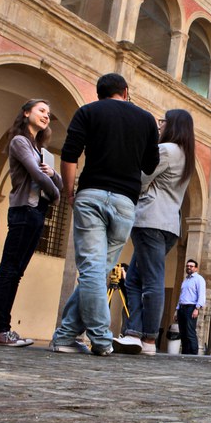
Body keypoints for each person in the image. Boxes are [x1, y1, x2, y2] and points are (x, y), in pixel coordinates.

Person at [51, 73, 159, 356]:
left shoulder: (88, 111)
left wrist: (69, 191)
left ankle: (92, 338)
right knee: (95, 272)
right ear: (126, 91)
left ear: (100, 94)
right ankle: (76, 338)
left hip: (91, 195)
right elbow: (150, 165)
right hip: (125, 202)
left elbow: (69, 155)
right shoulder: (146, 119)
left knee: (91, 271)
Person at [115, 109, 196, 356]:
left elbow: (141, 179)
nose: (160, 125)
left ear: (171, 125)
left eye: (163, 121)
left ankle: (148, 338)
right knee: (135, 280)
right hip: (170, 225)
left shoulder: (166, 150)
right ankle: (134, 334)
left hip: (151, 221)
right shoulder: (187, 155)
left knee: (150, 281)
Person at [0, 99, 62, 347]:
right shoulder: (19, 142)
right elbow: (36, 174)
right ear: (26, 112)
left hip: (37, 211)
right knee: (8, 270)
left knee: (15, 272)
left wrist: (54, 178)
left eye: (49, 113)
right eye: (41, 110)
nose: (46, 115)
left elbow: (54, 179)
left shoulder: (40, 150)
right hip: (24, 211)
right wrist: (57, 195)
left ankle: (3, 329)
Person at [174, 259, 206, 355]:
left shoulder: (199, 279)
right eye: (187, 266)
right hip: (182, 308)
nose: (189, 268)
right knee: (183, 332)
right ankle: (185, 353)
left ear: (196, 268)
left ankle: (193, 354)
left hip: (191, 308)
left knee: (190, 332)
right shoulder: (185, 280)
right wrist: (176, 310)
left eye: (191, 266)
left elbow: (201, 295)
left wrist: (197, 308)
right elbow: (181, 296)